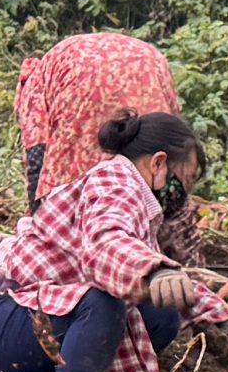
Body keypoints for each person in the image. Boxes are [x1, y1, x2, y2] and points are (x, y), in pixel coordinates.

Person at [0, 112, 228, 372]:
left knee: (161, 311)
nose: (181, 195)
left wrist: (220, 316)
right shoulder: (115, 183)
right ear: (159, 163)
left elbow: (143, 270)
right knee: (103, 303)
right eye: (182, 182)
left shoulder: (132, 197)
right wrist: (155, 270)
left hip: (28, 322)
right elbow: (106, 245)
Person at [15, 32, 199, 260]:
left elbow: (37, 161)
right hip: (147, 69)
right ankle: (167, 250)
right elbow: (173, 135)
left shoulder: (34, 83)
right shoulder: (147, 56)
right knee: (159, 171)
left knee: (90, 195)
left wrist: (39, 225)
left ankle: (95, 255)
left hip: (81, 84)